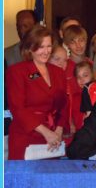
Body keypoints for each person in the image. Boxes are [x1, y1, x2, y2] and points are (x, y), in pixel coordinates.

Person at [6, 25, 68, 159]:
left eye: (49, 46)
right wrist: (46, 132)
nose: (46, 51)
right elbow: (18, 109)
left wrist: (59, 129)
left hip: (53, 139)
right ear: (30, 48)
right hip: (26, 136)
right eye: (41, 47)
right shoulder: (17, 71)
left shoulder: (58, 72)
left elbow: (64, 105)